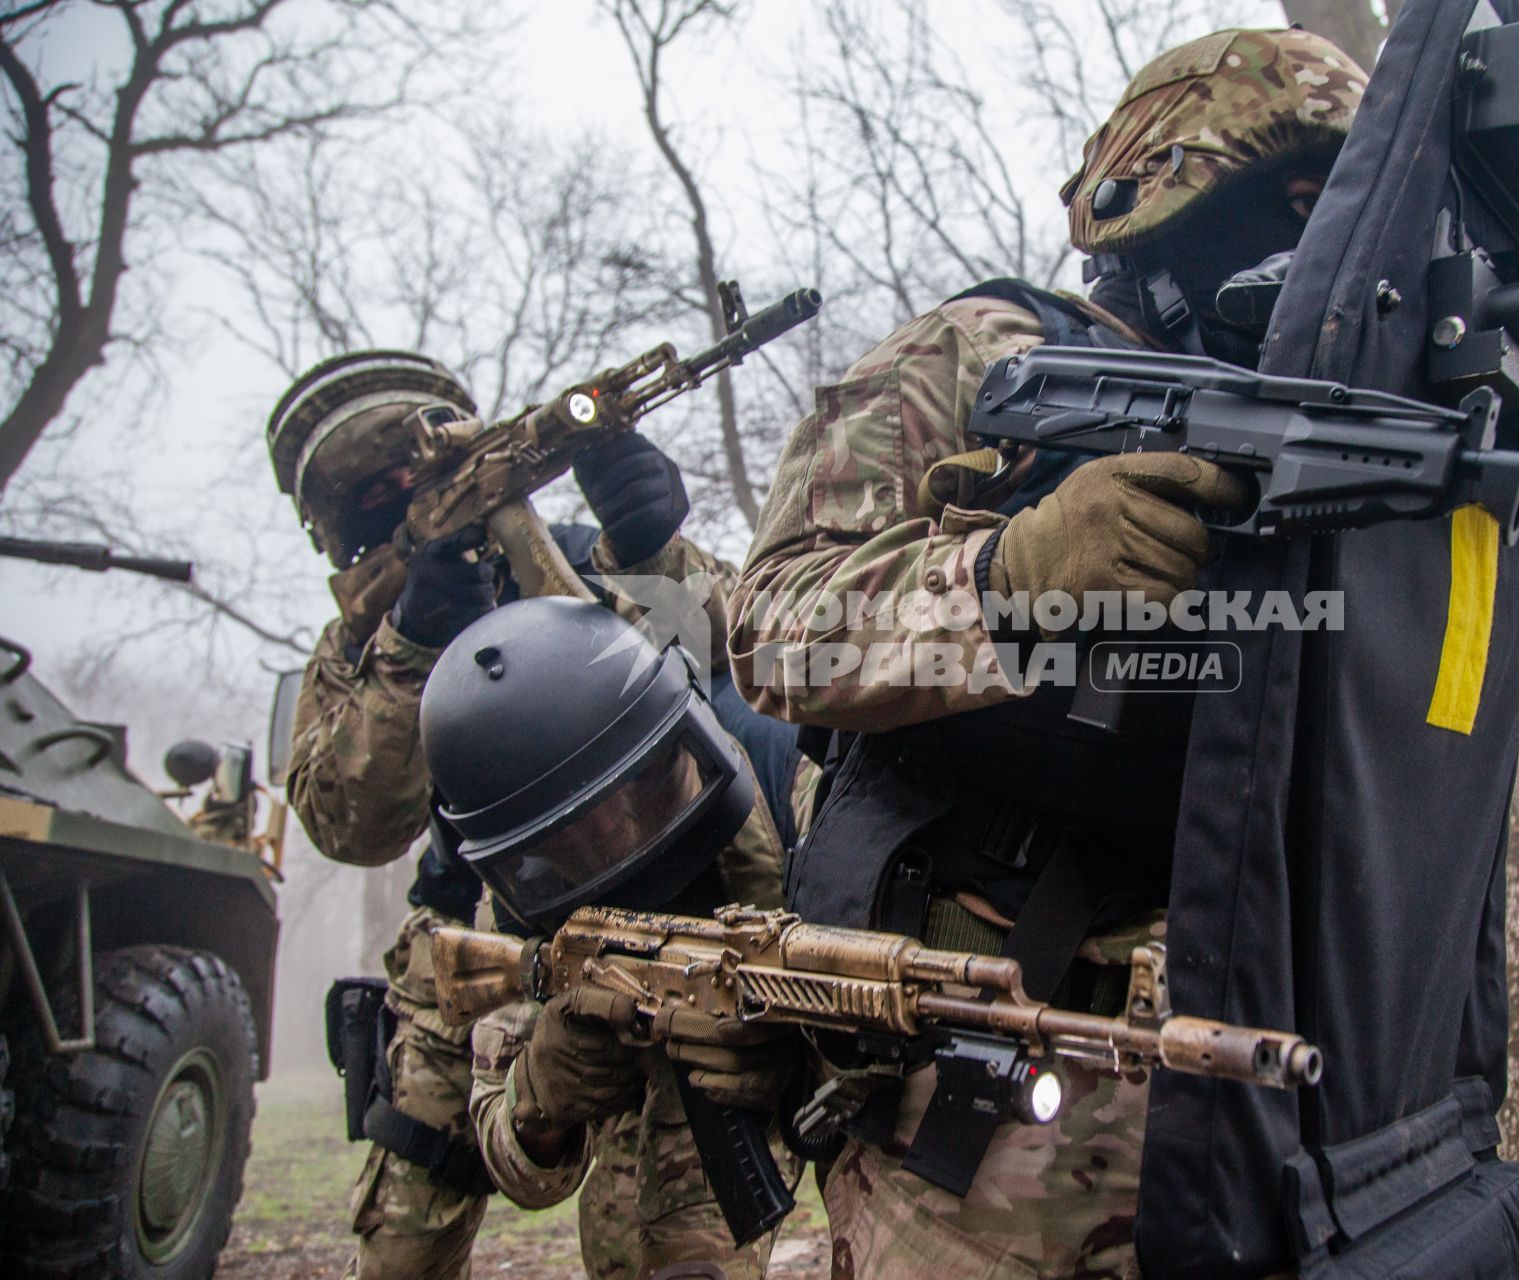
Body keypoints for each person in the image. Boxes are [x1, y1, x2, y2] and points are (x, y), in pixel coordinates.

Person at [725, 28, 1369, 1278]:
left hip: (1257, 1075)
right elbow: (768, 625)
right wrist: (1007, 578)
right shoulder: (982, 351)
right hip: (992, 1106)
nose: (1308, 250)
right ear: (1170, 187)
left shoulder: (1322, 420)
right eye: (1289, 205)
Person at [267, 350, 783, 1279]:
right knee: (405, 1247)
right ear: (348, 523)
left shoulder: (585, 558)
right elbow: (353, 825)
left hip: (640, 939)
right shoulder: (357, 649)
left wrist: (651, 545)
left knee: (673, 1250)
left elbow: (749, 651)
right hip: (463, 964)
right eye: (383, 486)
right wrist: (412, 646)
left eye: (419, 472)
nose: (407, 490)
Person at [421, 596, 796, 1280]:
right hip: (658, 1091)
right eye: (569, 836)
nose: (612, 838)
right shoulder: (514, 919)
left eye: (632, 794)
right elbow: (521, 1171)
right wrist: (541, 1101)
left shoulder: (787, 768)